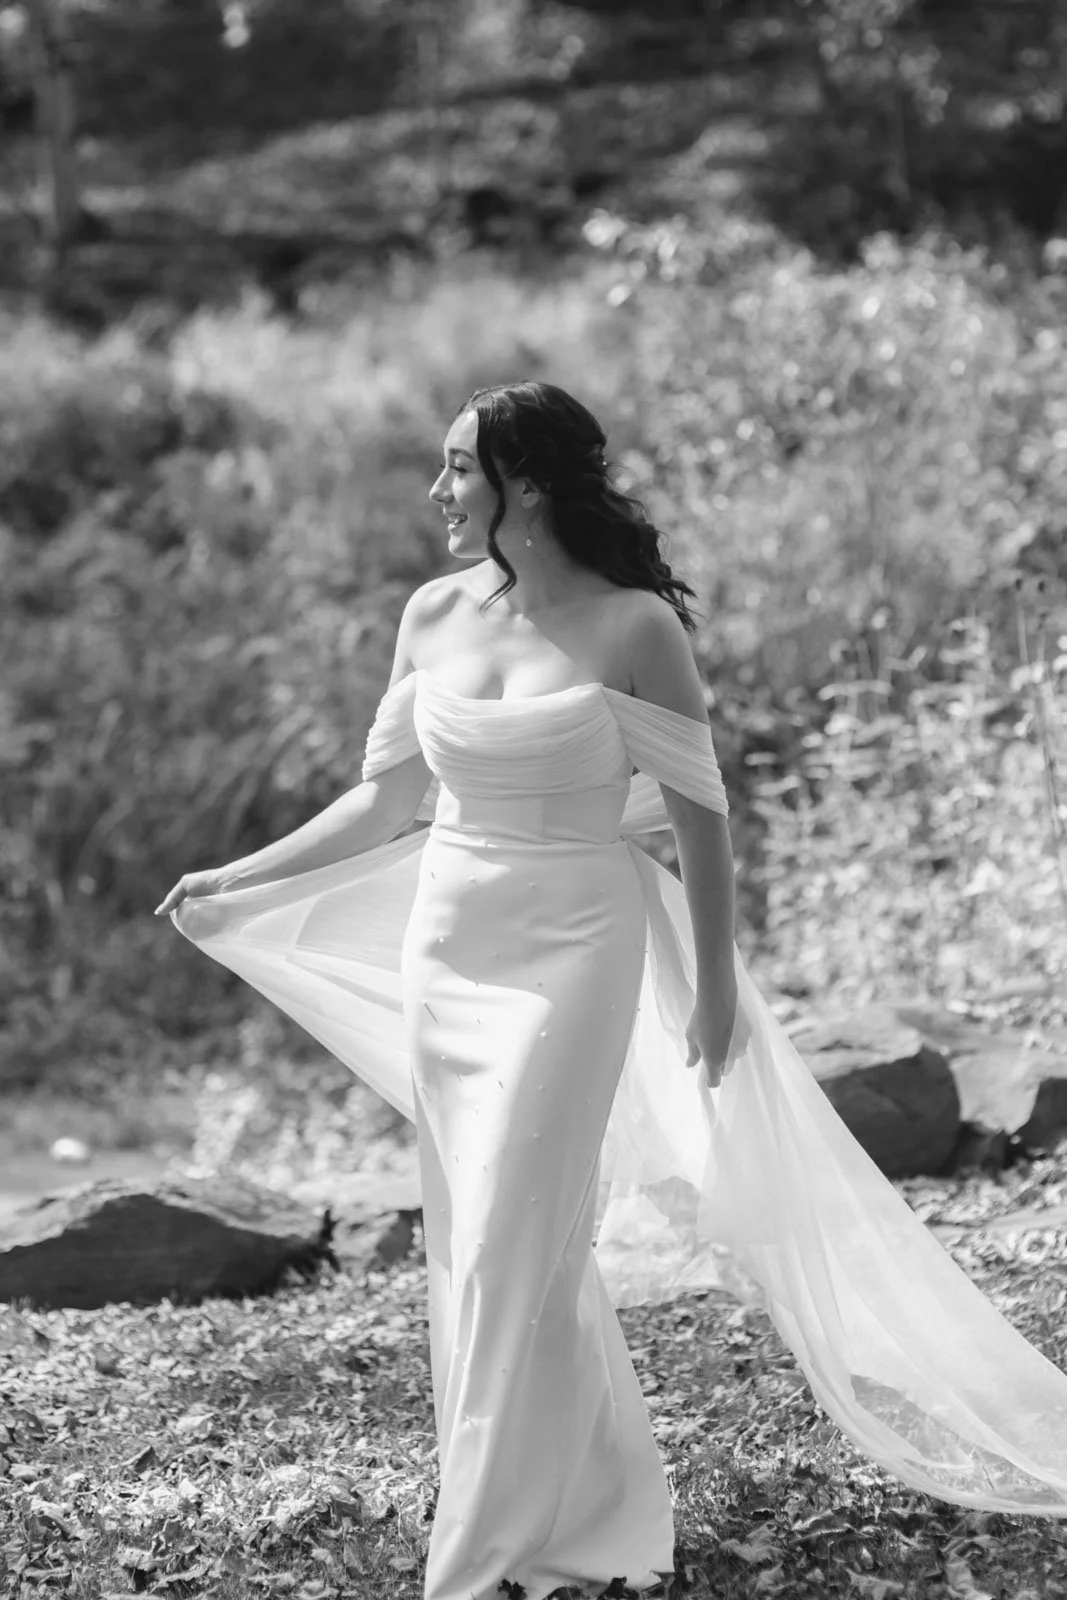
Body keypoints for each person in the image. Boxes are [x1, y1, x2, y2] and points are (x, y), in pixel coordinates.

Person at [157, 381, 1067, 1600]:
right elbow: (386, 800)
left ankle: (474, 1557)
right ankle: (583, 1505)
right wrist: (238, 870)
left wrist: (714, 991)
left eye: (456, 468)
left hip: (574, 950)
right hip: (450, 951)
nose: (436, 491)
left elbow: (701, 823)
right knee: (480, 1246)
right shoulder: (431, 614)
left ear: (522, 485)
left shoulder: (634, 626)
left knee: (515, 1237)